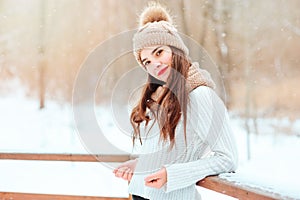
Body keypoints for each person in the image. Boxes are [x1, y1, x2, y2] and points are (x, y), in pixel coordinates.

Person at [113, 2, 238, 200]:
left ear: (176, 50)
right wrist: (140, 165)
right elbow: (169, 152)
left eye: (159, 52)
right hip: (140, 194)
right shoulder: (160, 96)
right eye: (147, 61)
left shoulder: (200, 95)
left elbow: (227, 159)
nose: (155, 64)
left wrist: (172, 175)